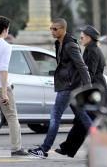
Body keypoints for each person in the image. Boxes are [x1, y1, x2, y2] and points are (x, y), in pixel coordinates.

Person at [28, 18, 92, 158]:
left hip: (69, 87)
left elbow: (82, 67)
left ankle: (44, 149)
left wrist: (88, 87)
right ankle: (102, 142)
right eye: (51, 29)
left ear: (63, 29)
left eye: (55, 29)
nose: (52, 31)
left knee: (55, 116)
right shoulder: (59, 43)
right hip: (68, 85)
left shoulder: (70, 46)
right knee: (83, 117)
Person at [55, 25, 107, 158]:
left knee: (85, 121)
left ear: (89, 38)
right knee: (83, 121)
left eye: (82, 36)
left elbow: (89, 72)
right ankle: (68, 148)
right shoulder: (92, 49)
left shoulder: (92, 51)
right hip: (95, 89)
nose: (80, 38)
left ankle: (94, 149)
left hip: (94, 91)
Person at [0, 16, 29, 156]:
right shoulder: (6, 46)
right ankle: (16, 148)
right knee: (12, 116)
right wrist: (4, 92)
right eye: (8, 29)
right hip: (1, 86)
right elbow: (3, 69)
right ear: (5, 30)